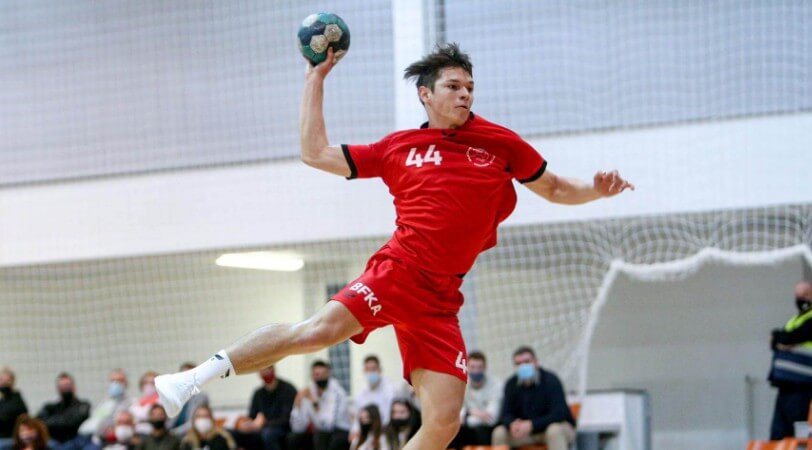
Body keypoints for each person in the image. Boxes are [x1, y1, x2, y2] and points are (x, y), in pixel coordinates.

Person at [155, 42, 633, 450]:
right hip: (399, 271)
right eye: (453, 86)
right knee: (316, 333)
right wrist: (315, 78)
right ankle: (192, 379)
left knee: (444, 422)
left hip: (442, 298)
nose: (465, 93)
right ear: (426, 94)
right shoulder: (397, 147)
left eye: (469, 86)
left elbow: (555, 188)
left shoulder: (500, 143)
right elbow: (314, 153)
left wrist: (595, 190)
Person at [492, 346, 575, 450]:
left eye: (527, 362)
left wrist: (532, 424)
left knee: (554, 431)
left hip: (552, 429)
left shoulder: (551, 380)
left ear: (536, 362)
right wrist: (512, 424)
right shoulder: (511, 384)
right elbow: (505, 414)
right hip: (524, 433)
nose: (523, 366)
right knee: (499, 432)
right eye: (518, 364)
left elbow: (560, 414)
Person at [769, 280, 812, 440]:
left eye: (805, 295)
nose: (801, 299)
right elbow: (777, 340)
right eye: (798, 296)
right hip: (786, 386)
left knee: (799, 434)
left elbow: (792, 336)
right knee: (779, 434)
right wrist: (780, 339)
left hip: (804, 387)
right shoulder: (794, 320)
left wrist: (783, 339)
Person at [288, 361, 351, 450]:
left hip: (340, 430)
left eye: (323, 374)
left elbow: (328, 425)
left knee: (321, 436)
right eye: (317, 374)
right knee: (293, 438)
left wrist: (315, 404)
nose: (320, 377)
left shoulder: (337, 393)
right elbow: (297, 428)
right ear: (312, 376)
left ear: (329, 374)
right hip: (319, 431)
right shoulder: (309, 392)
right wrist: (297, 404)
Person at [233, 365, 295, 450]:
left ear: (273, 370)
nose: (264, 373)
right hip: (262, 428)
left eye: (266, 369)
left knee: (268, 434)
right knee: (238, 434)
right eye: (262, 370)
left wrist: (263, 423)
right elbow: (252, 415)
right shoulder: (258, 393)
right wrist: (247, 424)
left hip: (283, 428)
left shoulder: (288, 390)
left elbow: (287, 418)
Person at [450, 351, 501, 447]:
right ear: (467, 368)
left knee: (481, 430)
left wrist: (466, 415)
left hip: (487, 430)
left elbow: (491, 419)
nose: (476, 371)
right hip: (468, 429)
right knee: (455, 431)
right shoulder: (462, 385)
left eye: (479, 367)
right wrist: (471, 412)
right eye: (472, 367)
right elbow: (458, 415)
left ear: (485, 368)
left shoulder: (495, 385)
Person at [76, 369, 133, 445]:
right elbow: (94, 418)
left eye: (119, 380)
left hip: (102, 440)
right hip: (83, 436)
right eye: (113, 380)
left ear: (126, 383)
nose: (115, 383)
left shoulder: (130, 403)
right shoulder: (104, 403)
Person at [37, 373, 91, 444]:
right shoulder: (50, 407)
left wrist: (53, 422)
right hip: (54, 443)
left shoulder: (83, 405)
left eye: (67, 385)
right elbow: (38, 423)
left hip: (76, 443)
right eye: (62, 386)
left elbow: (72, 423)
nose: (65, 388)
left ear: (74, 387)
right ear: (58, 389)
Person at [350, 356, 395, 442]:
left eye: (374, 369)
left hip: (385, 430)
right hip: (367, 430)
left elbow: (389, 415)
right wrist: (355, 430)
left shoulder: (390, 389)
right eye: (368, 369)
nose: (371, 372)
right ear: (364, 371)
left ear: (380, 370)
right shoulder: (361, 394)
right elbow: (357, 415)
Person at [167, 364, 208, 439]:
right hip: (170, 434)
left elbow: (194, 422)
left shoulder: (201, 397)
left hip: (188, 434)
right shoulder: (173, 395)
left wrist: (174, 432)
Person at [0, 368, 29, 446]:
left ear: (12, 381)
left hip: (9, 437)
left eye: (6, 380)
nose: (3, 383)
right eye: (1, 380)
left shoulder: (16, 401)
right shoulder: (3, 400)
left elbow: (4, 419)